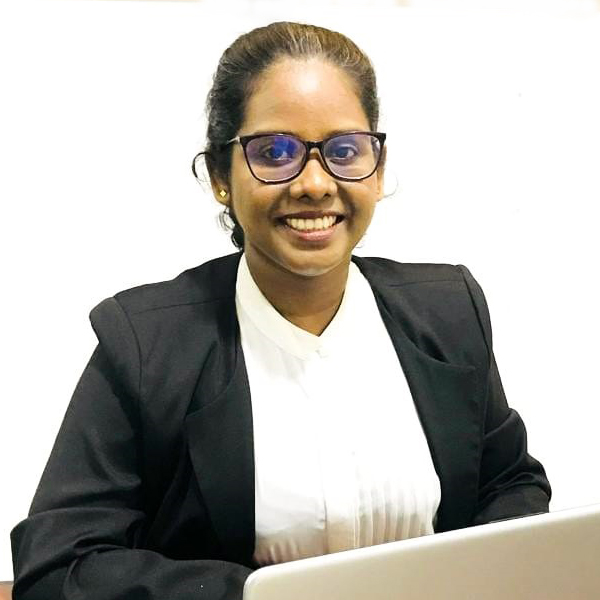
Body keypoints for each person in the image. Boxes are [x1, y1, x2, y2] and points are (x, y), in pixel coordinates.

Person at [11, 21, 551, 600]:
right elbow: (58, 567)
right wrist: (271, 594)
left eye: (344, 150)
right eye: (274, 152)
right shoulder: (147, 344)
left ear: (378, 168)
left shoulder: (448, 310)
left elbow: (511, 483)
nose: (315, 184)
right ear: (220, 176)